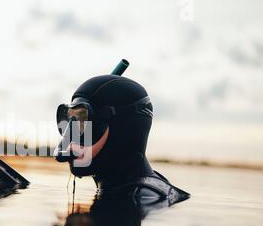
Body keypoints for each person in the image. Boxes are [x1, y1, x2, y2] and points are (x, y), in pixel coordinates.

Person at [54, 65, 190, 206]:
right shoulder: (127, 188)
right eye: (71, 124)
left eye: (85, 123)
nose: (69, 144)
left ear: (122, 132)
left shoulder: (140, 196)